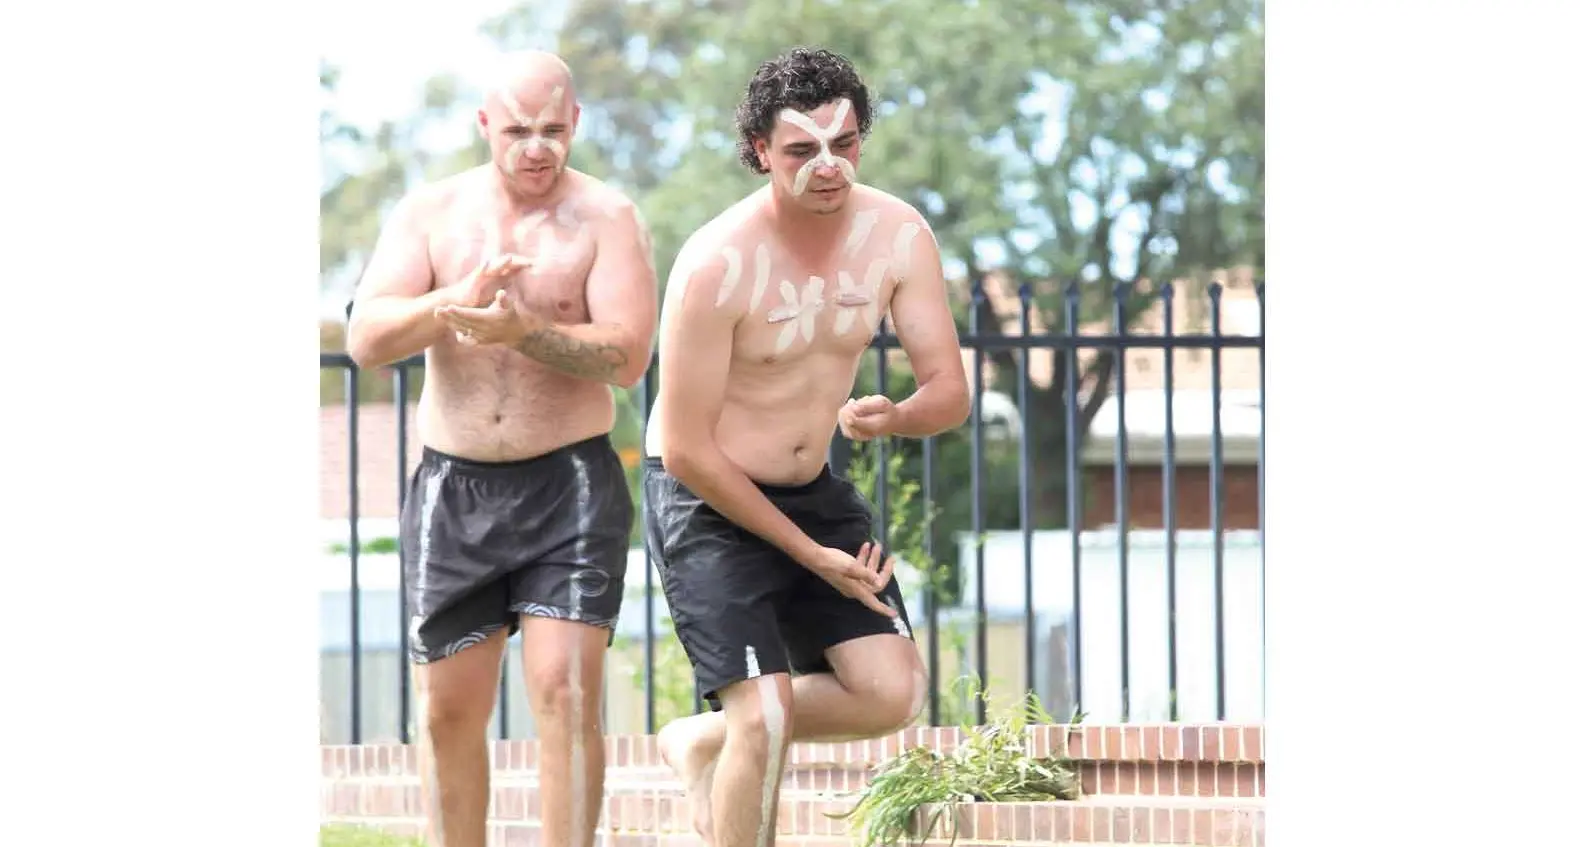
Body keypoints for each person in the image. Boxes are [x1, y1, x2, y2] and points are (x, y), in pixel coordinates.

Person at [641, 46, 972, 847]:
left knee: (891, 692)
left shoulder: (899, 235)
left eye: (845, 143)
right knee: (767, 710)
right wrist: (807, 552)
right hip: (707, 497)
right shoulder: (714, 265)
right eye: (801, 149)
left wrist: (893, 416)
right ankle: (732, 739)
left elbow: (949, 393)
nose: (829, 166)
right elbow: (685, 446)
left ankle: (700, 739)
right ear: (759, 150)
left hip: (812, 487)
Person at [345, 49, 658, 847]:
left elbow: (627, 358)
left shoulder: (608, 217)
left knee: (563, 686)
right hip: (453, 488)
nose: (537, 147)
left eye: (553, 129)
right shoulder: (431, 213)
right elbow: (367, 337)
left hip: (570, 486)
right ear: (485, 124)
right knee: (449, 709)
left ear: (576, 122)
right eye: (518, 129)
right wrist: (455, 299)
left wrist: (528, 330)